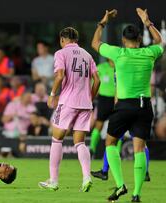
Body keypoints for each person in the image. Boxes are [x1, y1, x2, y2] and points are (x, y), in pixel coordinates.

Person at [91, 8, 163, 202]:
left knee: (110, 143)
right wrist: (147, 22)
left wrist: (103, 22)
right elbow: (160, 42)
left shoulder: (118, 53)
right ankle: (136, 194)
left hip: (123, 106)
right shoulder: (149, 53)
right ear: (139, 40)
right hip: (144, 106)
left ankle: (121, 185)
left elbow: (95, 43)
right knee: (140, 149)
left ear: (123, 40)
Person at [38, 27, 100, 192]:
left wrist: (52, 94)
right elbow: (97, 81)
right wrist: (89, 98)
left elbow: (59, 75)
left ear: (62, 40)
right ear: (77, 40)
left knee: (57, 139)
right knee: (80, 142)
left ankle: (53, 180)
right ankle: (86, 178)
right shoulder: (87, 55)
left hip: (67, 102)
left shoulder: (61, 53)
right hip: (85, 104)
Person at [89, 59, 116, 156]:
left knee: (119, 126)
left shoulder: (120, 66)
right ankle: (92, 149)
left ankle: (118, 151)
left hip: (117, 99)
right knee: (99, 125)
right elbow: (93, 81)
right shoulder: (101, 67)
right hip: (104, 100)